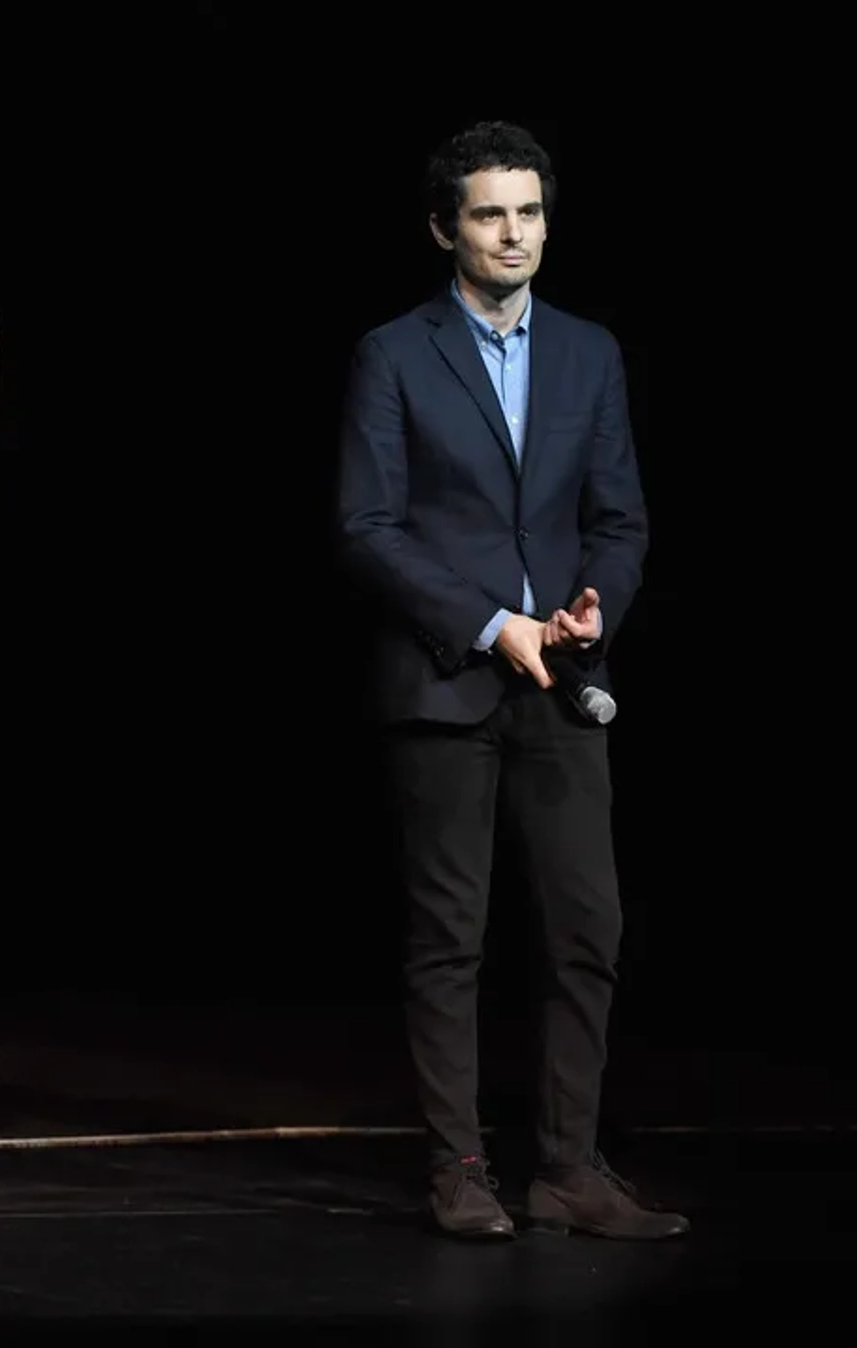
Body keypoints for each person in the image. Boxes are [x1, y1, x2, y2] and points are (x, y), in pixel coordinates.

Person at [336, 121, 689, 1241]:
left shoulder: (589, 352)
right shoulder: (394, 353)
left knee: (590, 926)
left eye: (529, 212)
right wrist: (493, 625)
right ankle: (460, 1168)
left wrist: (593, 606)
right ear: (447, 227)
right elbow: (369, 528)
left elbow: (620, 518)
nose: (514, 233)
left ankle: (570, 1168)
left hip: (565, 682)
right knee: (453, 938)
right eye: (490, 213)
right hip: (447, 683)